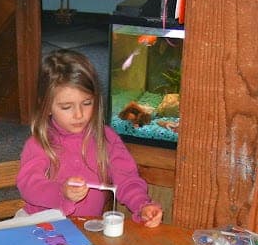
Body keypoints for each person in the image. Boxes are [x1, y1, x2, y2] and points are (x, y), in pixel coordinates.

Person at [17, 49, 164, 227]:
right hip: (42, 227)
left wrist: (142, 205)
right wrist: (61, 192)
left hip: (87, 231)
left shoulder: (106, 138)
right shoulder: (39, 143)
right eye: (66, 107)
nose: (79, 115)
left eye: (87, 103)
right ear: (46, 107)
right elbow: (29, 186)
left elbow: (127, 180)